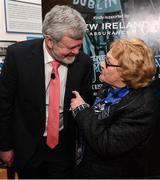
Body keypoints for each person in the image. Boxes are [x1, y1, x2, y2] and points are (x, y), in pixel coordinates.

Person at [0, 5, 93, 179]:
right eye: (70, 47)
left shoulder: (84, 63)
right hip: (27, 145)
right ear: (50, 40)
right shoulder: (18, 56)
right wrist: (5, 146)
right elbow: (4, 104)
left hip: (64, 146)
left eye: (79, 46)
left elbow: (85, 104)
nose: (76, 52)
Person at [70, 38, 158, 178]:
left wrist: (81, 110)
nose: (101, 64)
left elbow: (107, 145)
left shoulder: (142, 106)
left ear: (126, 72)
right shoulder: (110, 86)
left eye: (108, 62)